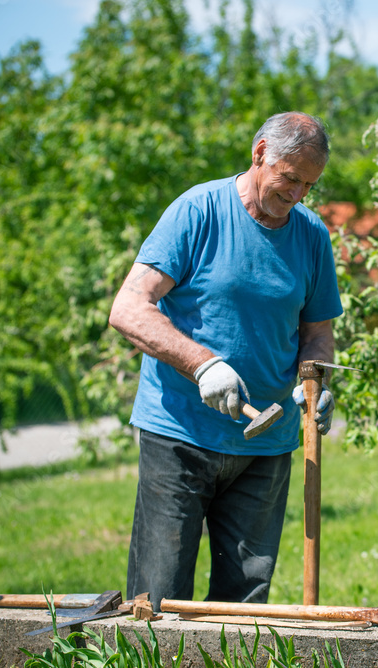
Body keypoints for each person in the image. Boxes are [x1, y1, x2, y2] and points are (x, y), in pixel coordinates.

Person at [108, 111, 343, 610]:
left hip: (267, 445)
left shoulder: (311, 235)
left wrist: (313, 382)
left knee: (243, 604)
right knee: (159, 599)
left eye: (310, 184)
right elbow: (129, 308)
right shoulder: (198, 211)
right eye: (290, 177)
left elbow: (318, 334)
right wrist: (202, 364)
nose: (298, 193)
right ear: (260, 153)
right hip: (180, 436)